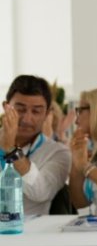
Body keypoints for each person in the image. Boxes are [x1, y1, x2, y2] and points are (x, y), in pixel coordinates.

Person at [1, 75, 70, 216]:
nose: (27, 119)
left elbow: (41, 193)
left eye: (36, 111)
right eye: (20, 110)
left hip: (30, 234)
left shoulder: (58, 153)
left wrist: (11, 149)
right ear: (5, 107)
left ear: (47, 114)